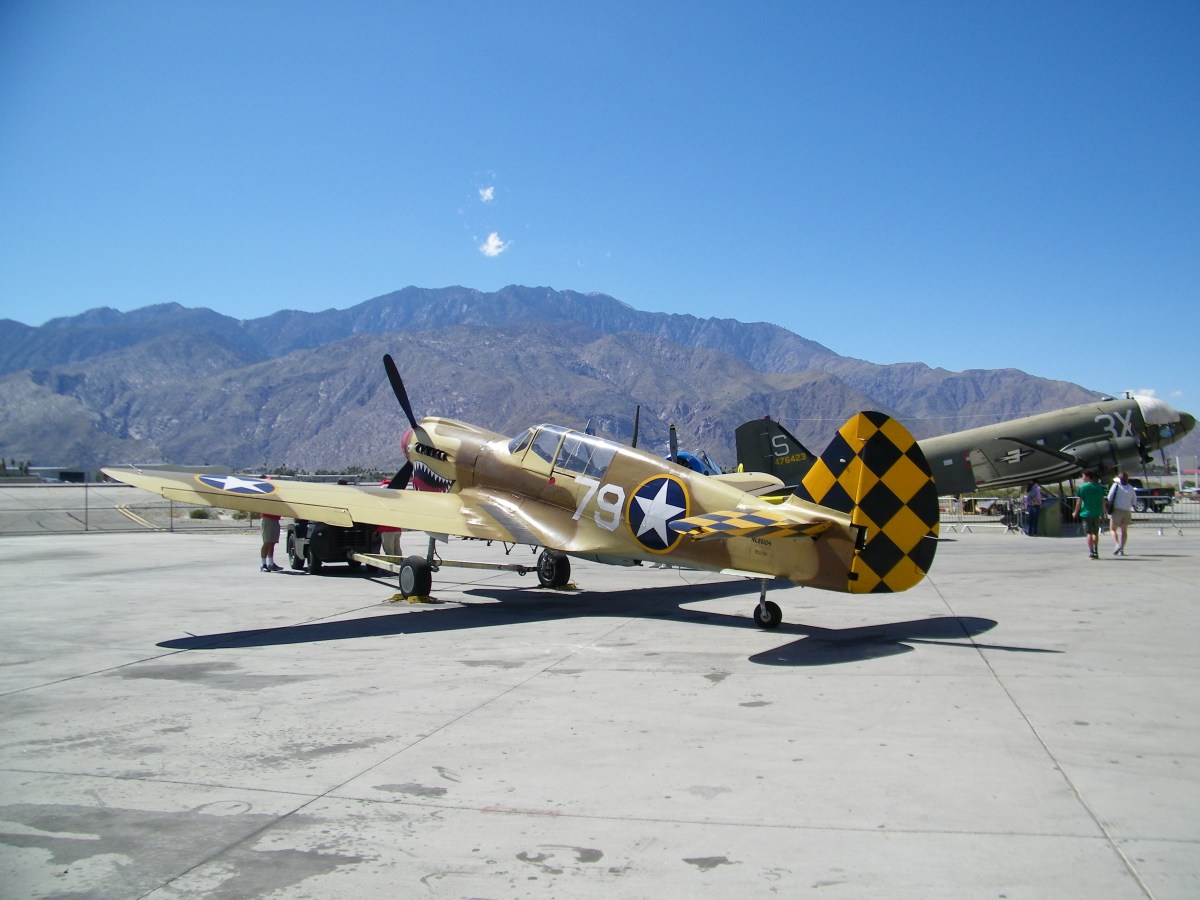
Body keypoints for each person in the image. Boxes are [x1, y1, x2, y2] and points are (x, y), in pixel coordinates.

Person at [1073, 470, 1105, 559]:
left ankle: (1091, 552)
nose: (1082, 478)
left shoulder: (1082, 487)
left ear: (1088, 477)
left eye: (1083, 476)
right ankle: (1096, 550)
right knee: (1095, 533)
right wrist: (1103, 513)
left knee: (1089, 533)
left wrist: (1075, 511)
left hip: (1086, 513)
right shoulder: (1098, 487)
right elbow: (1102, 501)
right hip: (1096, 513)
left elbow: (1079, 501)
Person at [1107, 471, 1135, 555]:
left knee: (1113, 529)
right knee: (1124, 531)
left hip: (1117, 510)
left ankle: (1117, 544)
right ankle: (1122, 549)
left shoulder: (1116, 485)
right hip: (1127, 511)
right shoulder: (1130, 487)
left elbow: (1109, 497)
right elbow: (1134, 501)